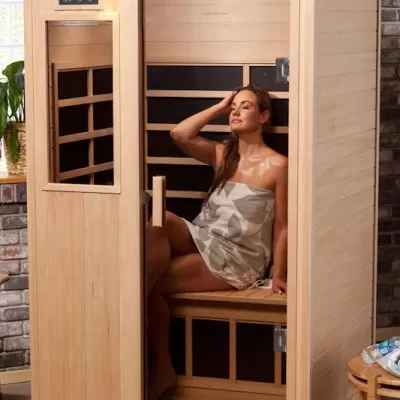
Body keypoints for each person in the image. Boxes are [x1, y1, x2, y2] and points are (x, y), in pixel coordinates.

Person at [146, 85, 288, 400]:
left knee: (149, 283)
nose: (235, 111)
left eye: (245, 106)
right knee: (161, 219)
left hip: (238, 257)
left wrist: (278, 273)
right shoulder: (224, 154)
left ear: (264, 116)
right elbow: (179, 134)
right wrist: (219, 107)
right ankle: (144, 347)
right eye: (233, 107)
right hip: (204, 236)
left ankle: (157, 366)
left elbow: (283, 225)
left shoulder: (279, 165)